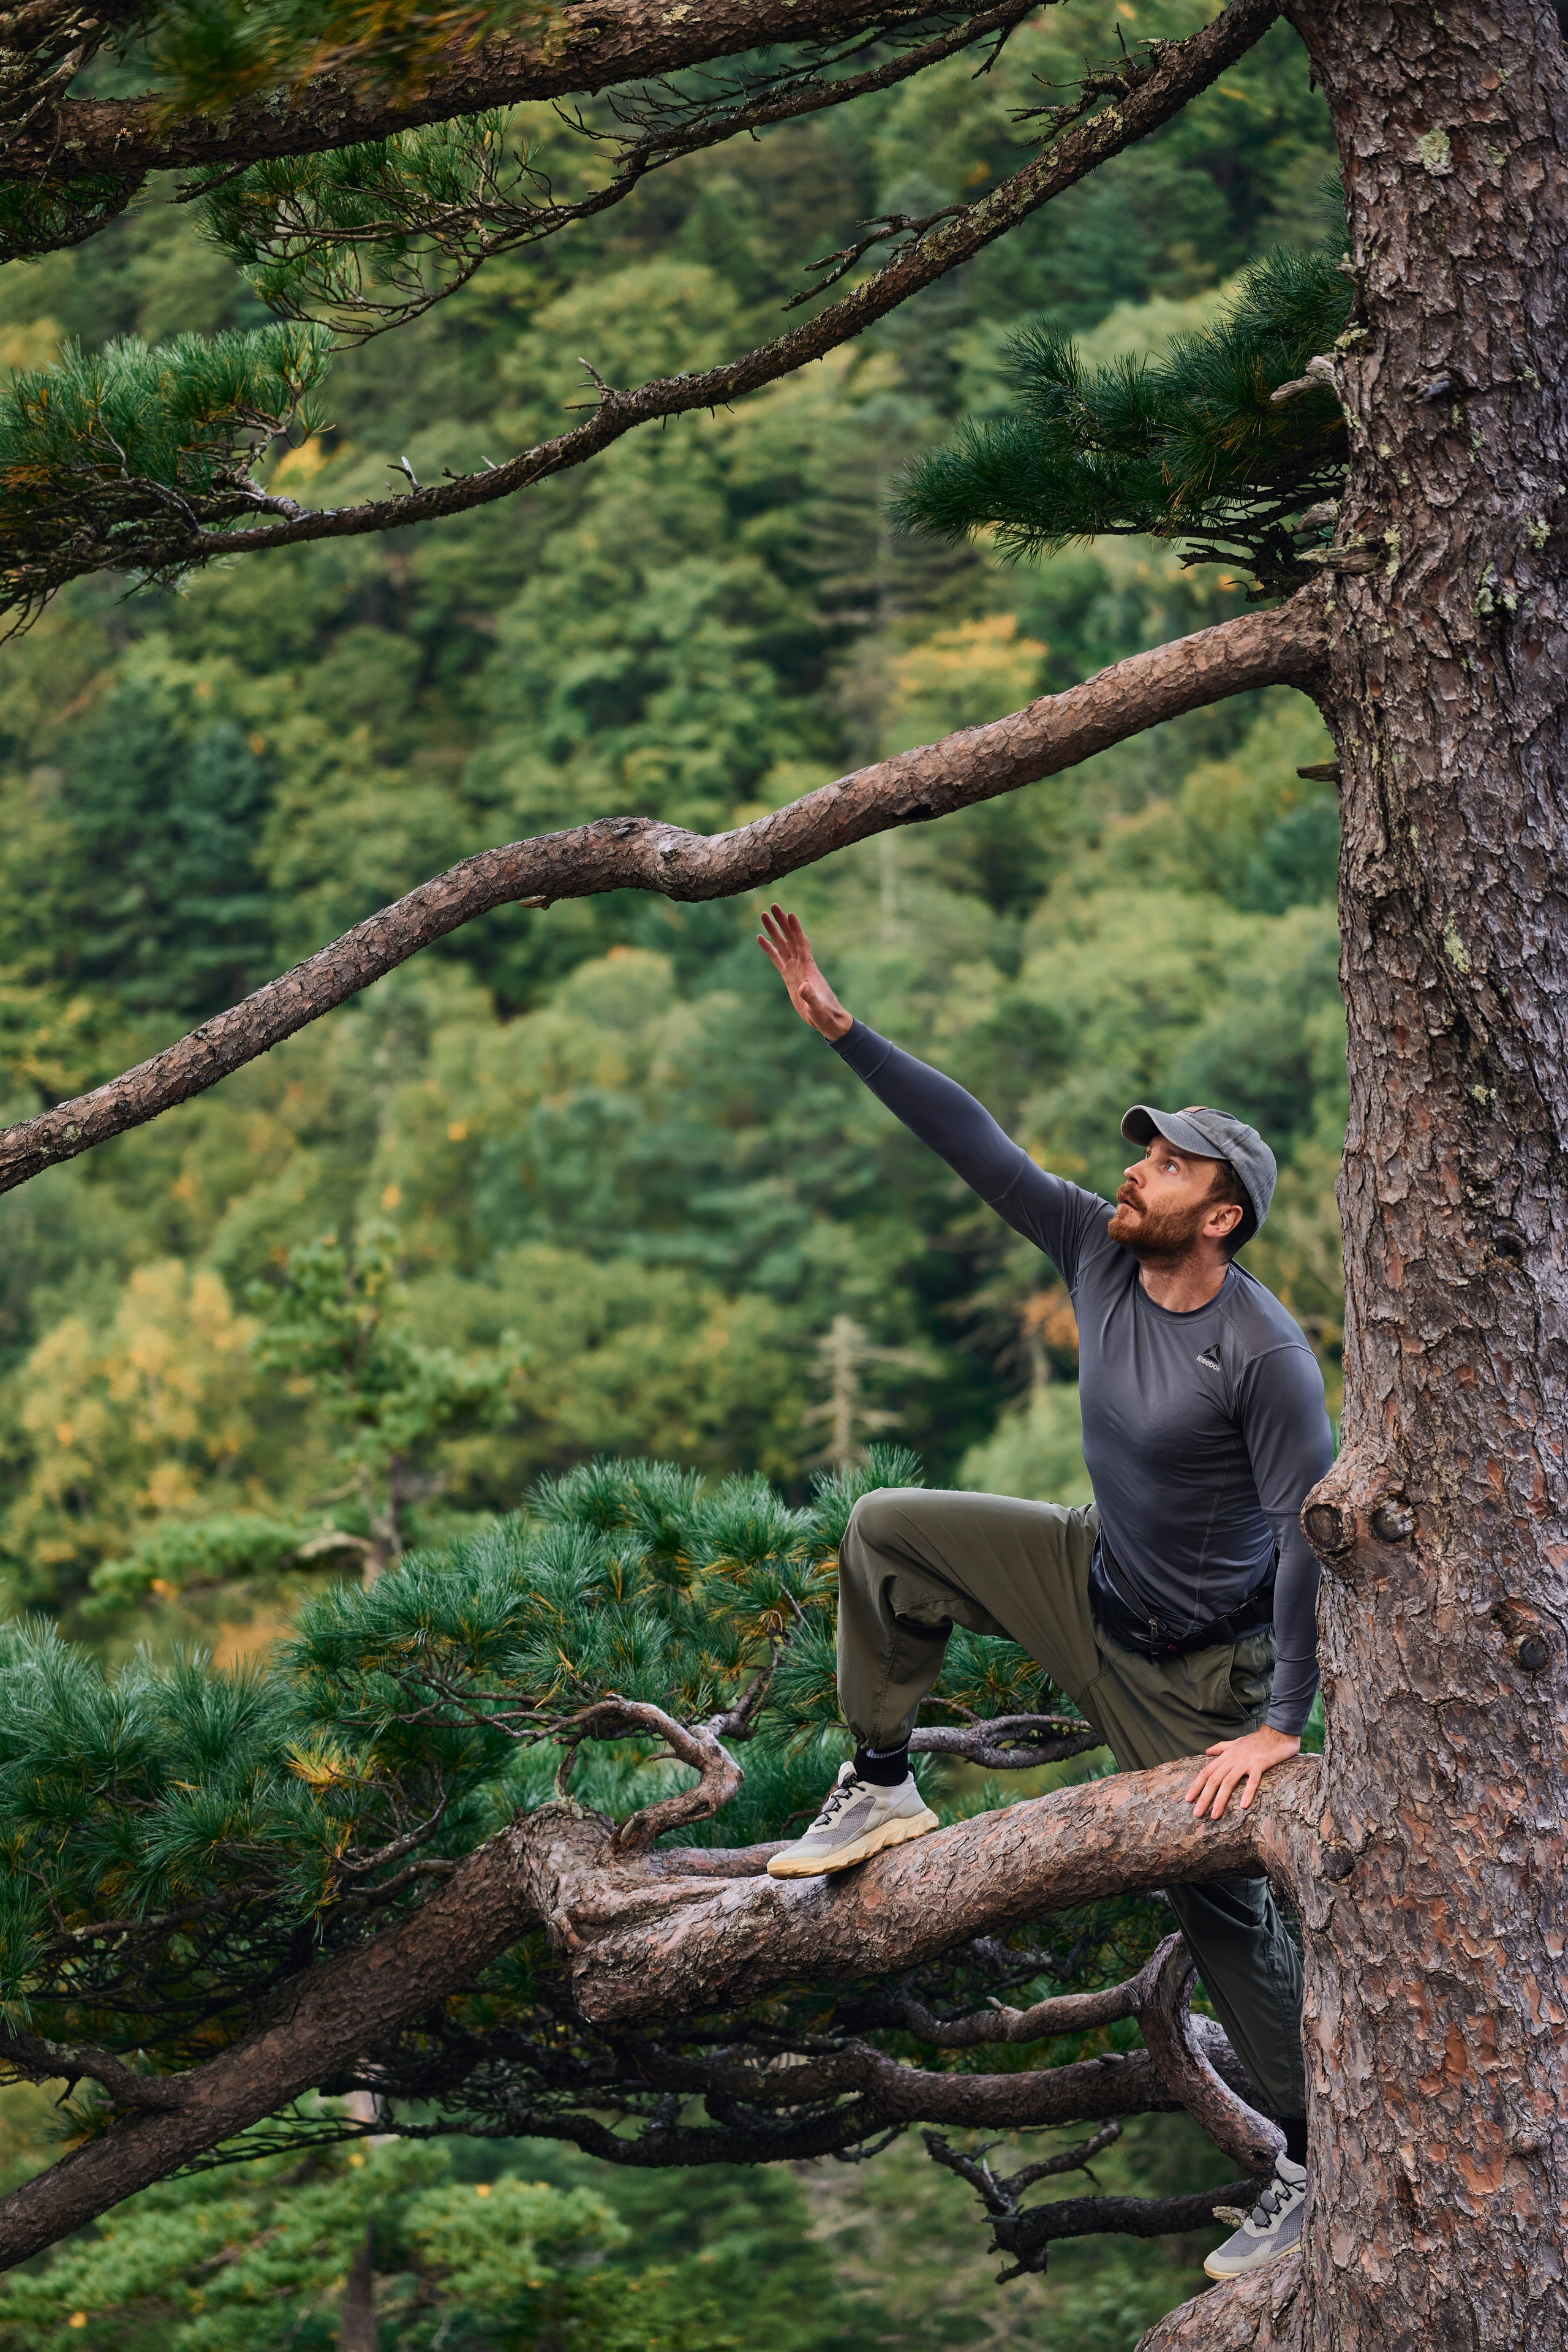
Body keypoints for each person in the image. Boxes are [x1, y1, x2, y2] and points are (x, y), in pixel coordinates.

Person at [755, 904, 1335, 2283]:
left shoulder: (1264, 1356)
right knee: (888, 1529)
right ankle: (884, 1775)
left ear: (1223, 1211)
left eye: (1165, 1162)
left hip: (1204, 1674)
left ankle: (1318, 2154)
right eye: (1141, 1150)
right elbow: (973, 1143)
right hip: (1090, 1579)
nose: (1133, 1169)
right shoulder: (1092, 1245)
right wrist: (845, 1033)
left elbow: (1307, 1537)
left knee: (1221, 1913)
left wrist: (1280, 1729)